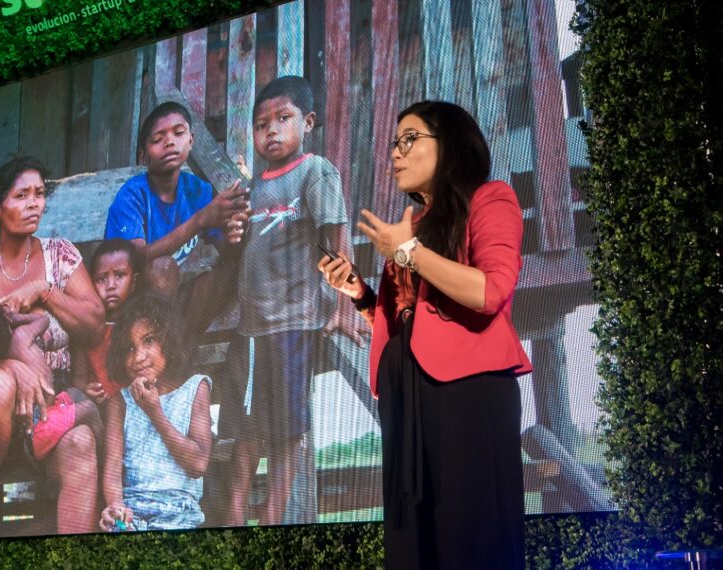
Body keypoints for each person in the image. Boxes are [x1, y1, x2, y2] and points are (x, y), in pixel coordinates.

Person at [318, 101, 532, 569]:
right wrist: (359, 293)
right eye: (395, 143)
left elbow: (490, 291)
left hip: (468, 390)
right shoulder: (409, 229)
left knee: (471, 537)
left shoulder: (490, 198)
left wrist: (409, 252)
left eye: (410, 139)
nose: (396, 152)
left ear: (450, 143)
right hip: (406, 395)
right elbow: (409, 323)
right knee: (413, 543)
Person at [221, 75, 366, 526]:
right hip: (251, 328)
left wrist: (346, 304)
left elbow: (336, 236)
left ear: (308, 122)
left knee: (286, 432)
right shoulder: (254, 187)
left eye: (283, 118)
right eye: (261, 124)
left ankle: (272, 517)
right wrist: (231, 233)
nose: (272, 131)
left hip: (293, 322)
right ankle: (233, 517)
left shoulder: (314, 171)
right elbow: (243, 249)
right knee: (246, 431)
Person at [0, 155, 105, 537]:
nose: (34, 204)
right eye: (21, 195)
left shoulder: (60, 256)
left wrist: (46, 292)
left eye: (39, 194)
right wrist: (13, 368)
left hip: (49, 409)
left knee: (81, 442)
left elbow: (95, 326)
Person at [99, 293, 213, 531]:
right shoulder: (120, 402)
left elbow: (198, 464)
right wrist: (115, 506)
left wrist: (154, 412)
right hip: (131, 510)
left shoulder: (195, 388)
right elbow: (112, 469)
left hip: (179, 510)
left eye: (149, 340)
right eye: (130, 348)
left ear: (169, 340)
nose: (138, 357)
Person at [103, 99, 249, 283]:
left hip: (178, 291)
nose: (170, 142)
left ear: (191, 141)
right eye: (157, 139)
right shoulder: (132, 196)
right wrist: (199, 221)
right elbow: (133, 259)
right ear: (143, 156)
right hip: (135, 293)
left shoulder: (198, 191)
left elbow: (228, 252)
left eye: (179, 133)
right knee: (161, 267)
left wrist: (235, 232)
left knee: (240, 270)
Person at [0, 301, 104, 461]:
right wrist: (17, 318)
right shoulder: (22, 335)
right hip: (40, 428)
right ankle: (103, 463)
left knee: (74, 393)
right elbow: (43, 321)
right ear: (7, 321)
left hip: (37, 426)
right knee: (90, 410)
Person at [75, 238, 145, 404]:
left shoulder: (140, 325)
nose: (111, 285)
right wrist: (86, 390)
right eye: (101, 279)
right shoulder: (86, 328)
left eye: (120, 276)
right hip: (101, 408)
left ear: (134, 282)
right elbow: (78, 381)